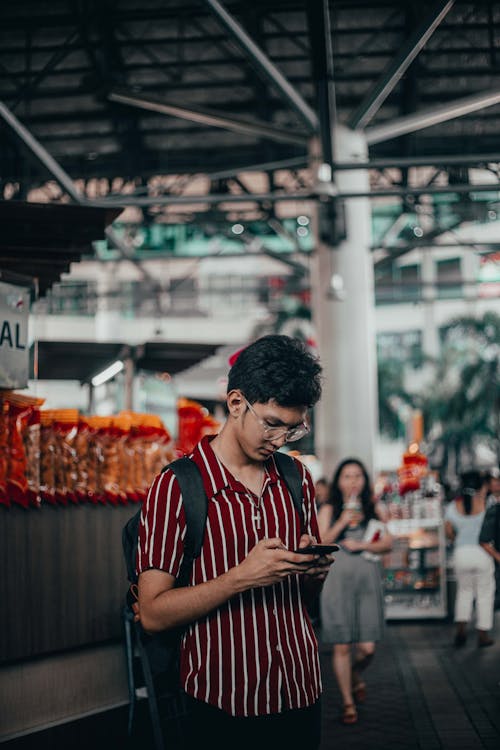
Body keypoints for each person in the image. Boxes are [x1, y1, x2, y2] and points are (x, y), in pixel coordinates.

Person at [136, 335, 333, 750]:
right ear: (236, 403)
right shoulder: (177, 486)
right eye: (272, 424)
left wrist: (313, 573)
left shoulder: (296, 482)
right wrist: (240, 578)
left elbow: (307, 600)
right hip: (221, 703)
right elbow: (152, 614)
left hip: (301, 691)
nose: (280, 440)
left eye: (293, 428)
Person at [317, 458, 393, 725]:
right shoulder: (329, 508)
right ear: (339, 481)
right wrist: (341, 522)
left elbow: (388, 543)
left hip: (367, 582)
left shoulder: (374, 507)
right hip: (336, 582)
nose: (352, 481)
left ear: (364, 480)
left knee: (367, 648)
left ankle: (355, 674)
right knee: (341, 645)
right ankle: (348, 703)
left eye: (357, 476)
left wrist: (363, 546)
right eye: (347, 476)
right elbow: (320, 541)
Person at [444, 470, 495, 648]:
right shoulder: (487, 504)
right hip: (483, 553)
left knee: (464, 593)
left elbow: (449, 533)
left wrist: (457, 537)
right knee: (484, 594)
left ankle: (461, 631)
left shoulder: (452, 507)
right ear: (481, 486)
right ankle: (483, 635)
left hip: (461, 554)